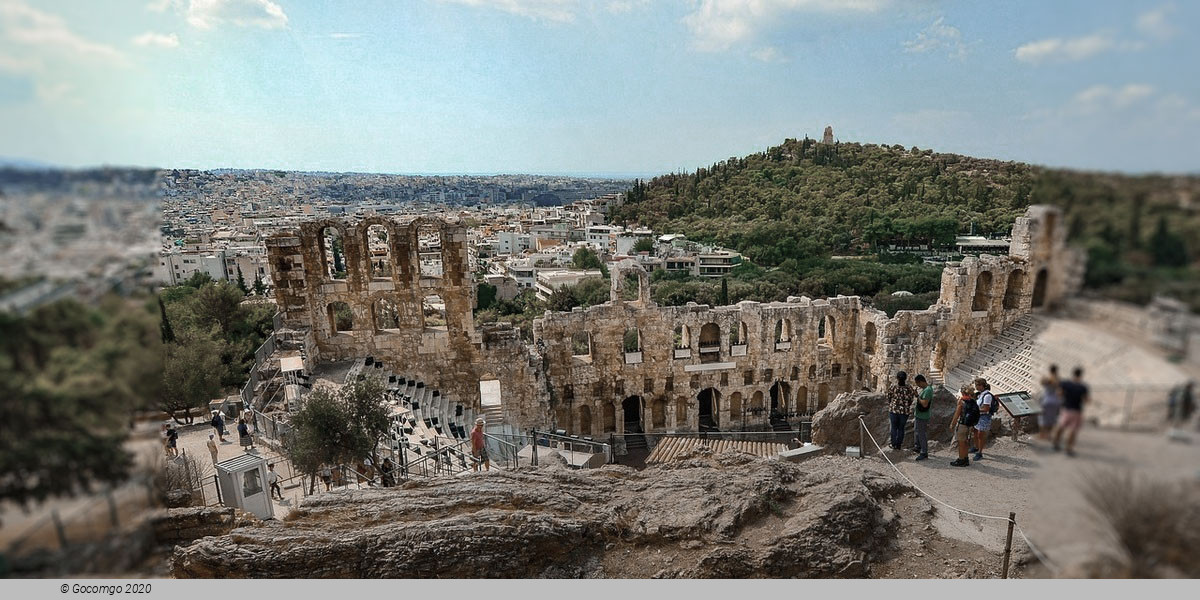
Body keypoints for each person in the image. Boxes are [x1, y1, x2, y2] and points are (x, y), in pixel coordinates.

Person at [1053, 367, 1089, 457]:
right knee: (1073, 430)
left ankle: (1056, 443)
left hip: (1066, 409)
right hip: (1077, 411)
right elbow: (1086, 400)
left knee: (1061, 426)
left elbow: (1059, 394)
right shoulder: (1083, 387)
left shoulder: (1066, 383)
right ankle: (1068, 449)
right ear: (1081, 375)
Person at [950, 384, 980, 467]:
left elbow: (957, 414)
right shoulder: (973, 401)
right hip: (970, 425)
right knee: (966, 442)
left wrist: (952, 424)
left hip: (962, 424)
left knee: (961, 443)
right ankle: (966, 458)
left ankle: (961, 459)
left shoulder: (961, 401)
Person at [886, 371, 916, 451]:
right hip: (904, 411)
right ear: (906, 378)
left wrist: (892, 404)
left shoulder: (893, 387)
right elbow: (911, 399)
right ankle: (899, 445)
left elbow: (889, 397)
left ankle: (893, 443)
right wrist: (906, 405)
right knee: (901, 428)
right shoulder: (909, 388)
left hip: (894, 410)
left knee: (894, 427)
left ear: (897, 378)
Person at [972, 378, 995, 461]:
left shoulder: (987, 396)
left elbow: (986, 409)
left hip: (984, 417)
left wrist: (974, 410)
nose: (976, 387)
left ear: (982, 386)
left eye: (977, 385)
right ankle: (976, 447)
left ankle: (980, 452)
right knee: (975, 432)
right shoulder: (980, 394)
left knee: (980, 434)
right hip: (978, 416)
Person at [912, 374, 933, 461]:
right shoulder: (925, 389)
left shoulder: (927, 390)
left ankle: (924, 452)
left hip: (923, 415)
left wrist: (918, 397)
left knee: (921, 434)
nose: (918, 386)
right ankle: (918, 447)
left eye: (918, 383)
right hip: (919, 414)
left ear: (921, 381)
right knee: (917, 431)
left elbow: (924, 404)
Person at [1038, 365, 1062, 441]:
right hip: (1055, 401)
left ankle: (1042, 434)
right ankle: (1048, 435)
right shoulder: (1058, 380)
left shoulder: (1047, 378)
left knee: (1043, 418)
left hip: (1046, 400)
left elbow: (1042, 382)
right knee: (1052, 419)